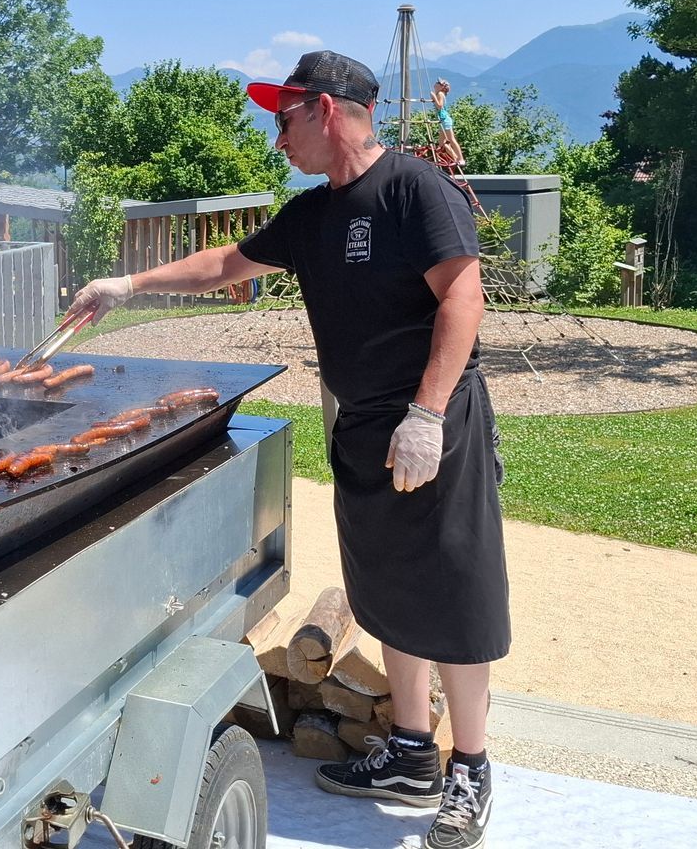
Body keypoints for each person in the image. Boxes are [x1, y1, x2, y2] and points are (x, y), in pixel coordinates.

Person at [69, 50, 506, 849]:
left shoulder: (415, 189)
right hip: (363, 424)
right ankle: (413, 750)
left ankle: (470, 766)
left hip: (433, 422)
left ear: (327, 109)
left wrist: (427, 414)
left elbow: (463, 297)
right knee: (387, 584)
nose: (277, 138)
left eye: (285, 118)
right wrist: (124, 288)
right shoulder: (313, 215)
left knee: (452, 588)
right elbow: (224, 265)